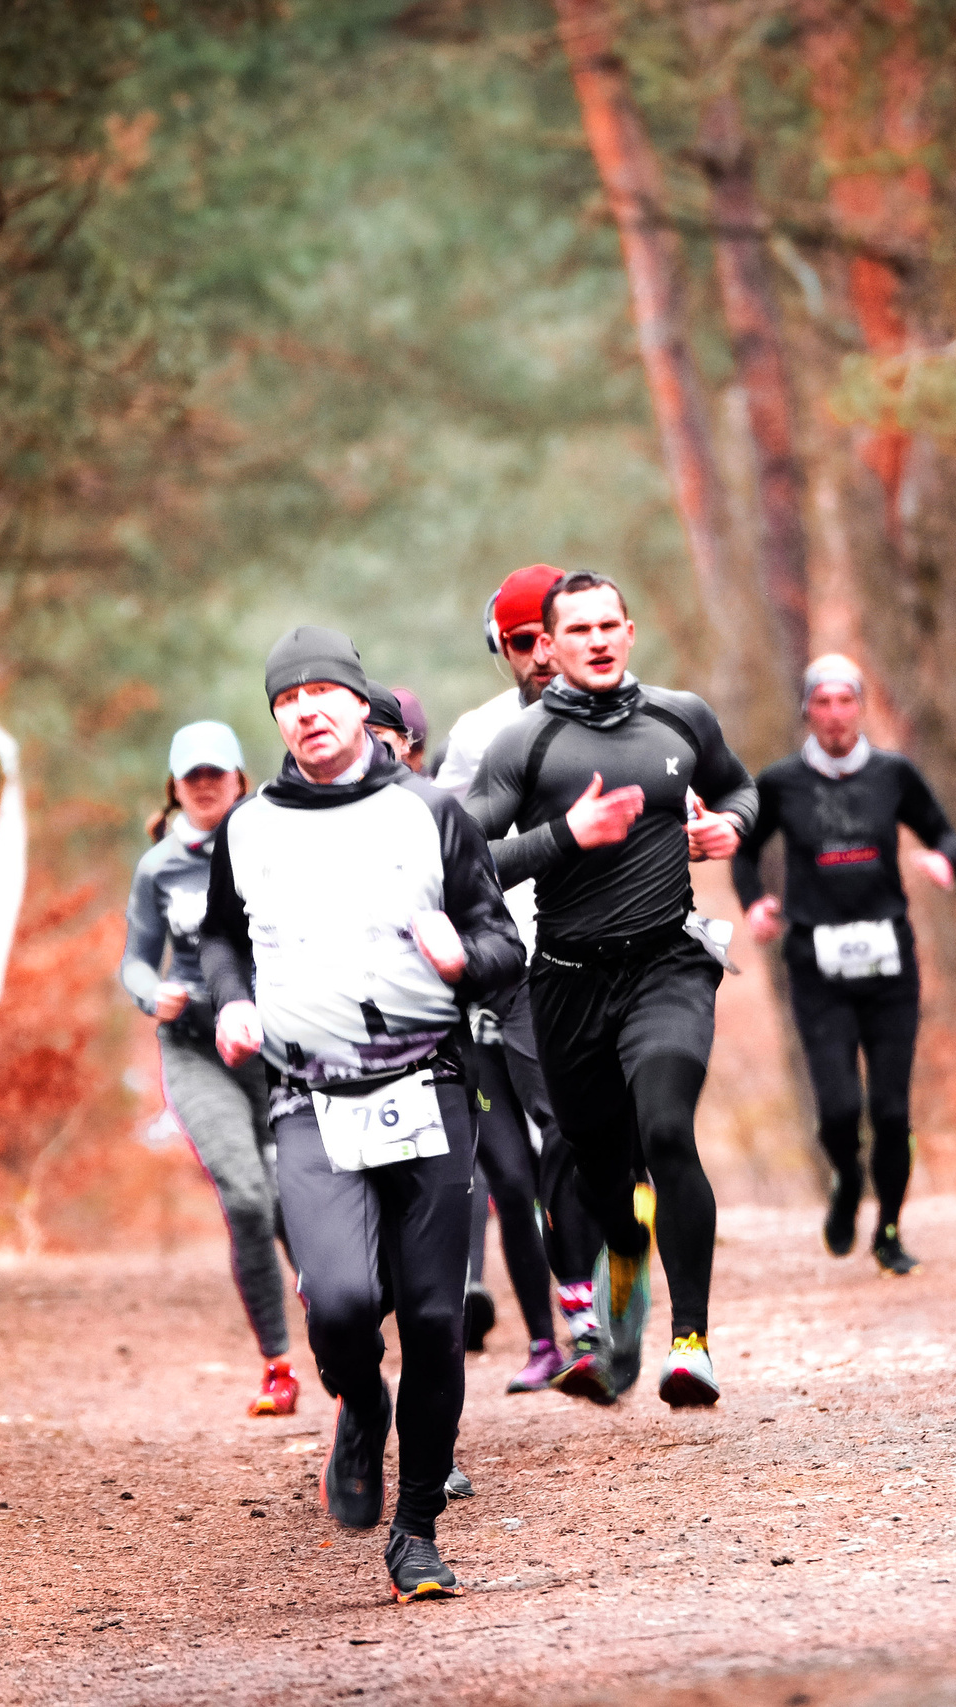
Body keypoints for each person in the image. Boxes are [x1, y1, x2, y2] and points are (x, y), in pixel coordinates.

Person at [200, 626, 523, 1605]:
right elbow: (219, 936)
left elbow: (501, 942)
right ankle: (357, 1401)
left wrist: (462, 957)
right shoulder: (247, 826)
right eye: (285, 699)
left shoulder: (428, 812)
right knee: (339, 1301)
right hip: (307, 1097)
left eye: (322, 692)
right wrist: (230, 999)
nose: (305, 709)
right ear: (277, 720)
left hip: (426, 1086)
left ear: (361, 704)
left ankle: (415, 1529)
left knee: (431, 1316)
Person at [466, 571, 757, 1409]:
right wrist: (564, 836)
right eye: (576, 629)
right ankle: (623, 1256)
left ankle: (691, 1343)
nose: (596, 640)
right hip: (563, 980)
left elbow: (740, 786)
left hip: (668, 962)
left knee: (667, 1128)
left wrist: (727, 825)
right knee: (598, 1174)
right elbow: (465, 861)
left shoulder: (682, 716)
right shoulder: (523, 745)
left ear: (630, 631)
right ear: (546, 648)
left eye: (609, 625)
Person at [434, 565, 606, 1395]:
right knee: (509, 1165)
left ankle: (597, 1308)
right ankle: (556, 1331)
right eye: (522, 643)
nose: (541, 655)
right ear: (501, 649)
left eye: (551, 636)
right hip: (504, 971)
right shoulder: (478, 736)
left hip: (593, 962)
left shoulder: (626, 715)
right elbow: (447, 851)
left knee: (577, 1139)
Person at [733, 655, 956, 1275]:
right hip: (817, 963)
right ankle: (843, 1178)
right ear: (807, 709)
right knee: (838, 1109)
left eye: (845, 701)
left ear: (860, 706)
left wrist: (945, 862)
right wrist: (755, 904)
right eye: (823, 703)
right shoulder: (780, 783)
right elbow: (744, 849)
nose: (835, 715)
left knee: (891, 1111)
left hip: (889, 962)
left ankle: (888, 1228)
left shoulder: (893, 775)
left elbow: (945, 833)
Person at [117, 720, 300, 1417]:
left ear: (239, 780)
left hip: (276, 1046)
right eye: (190, 776)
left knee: (294, 1199)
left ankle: (343, 1334)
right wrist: (147, 991)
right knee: (249, 1198)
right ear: (174, 786)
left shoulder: (273, 845)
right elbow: (136, 955)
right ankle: (278, 1364)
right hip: (196, 1047)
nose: (203, 786)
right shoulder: (160, 865)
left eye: (215, 774)